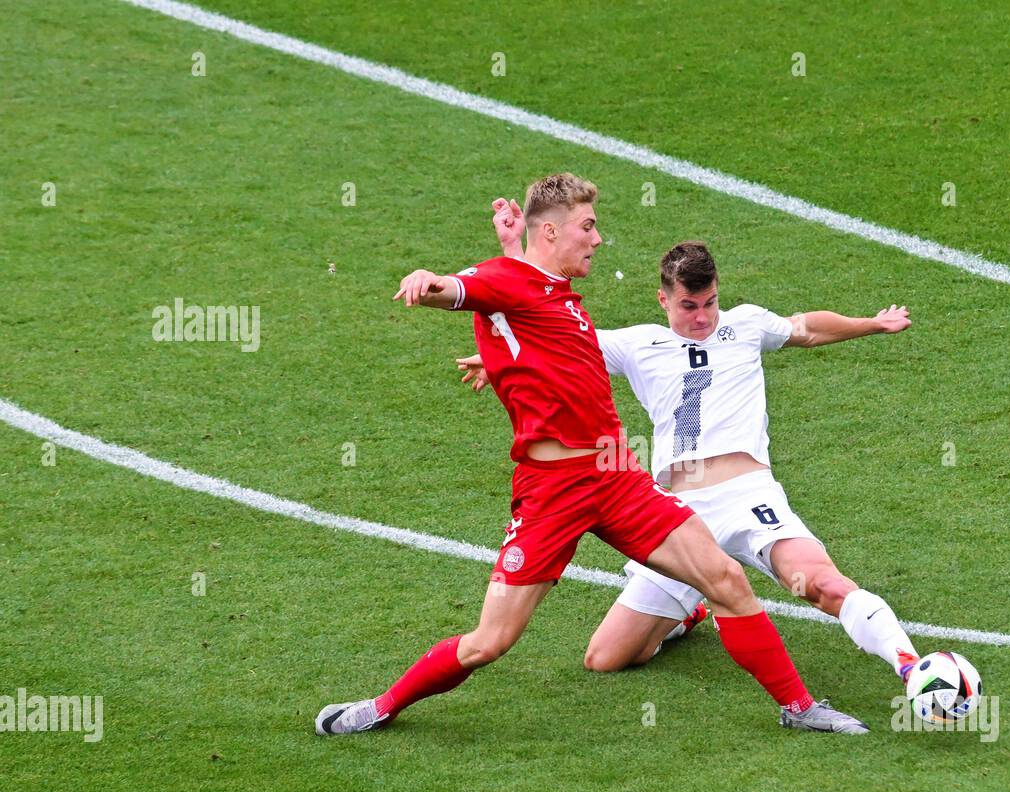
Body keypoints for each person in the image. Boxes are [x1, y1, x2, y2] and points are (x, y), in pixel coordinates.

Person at [315, 174, 868, 737]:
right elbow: (469, 289)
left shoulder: (549, 286)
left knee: (724, 577)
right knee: (491, 641)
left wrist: (513, 262)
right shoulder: (506, 280)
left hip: (614, 472)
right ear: (552, 230)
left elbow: (523, 304)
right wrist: (430, 282)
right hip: (553, 489)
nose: (598, 239)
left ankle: (799, 707)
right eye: (588, 226)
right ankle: (380, 707)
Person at [465, 198, 920, 687]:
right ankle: (687, 614)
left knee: (822, 585)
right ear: (664, 300)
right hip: (675, 517)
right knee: (607, 656)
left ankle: (912, 667)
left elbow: (806, 328)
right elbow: (547, 336)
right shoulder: (638, 344)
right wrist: (499, 359)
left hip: (748, 498)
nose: (702, 317)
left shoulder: (746, 324)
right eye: (688, 306)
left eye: (709, 303)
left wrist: (872, 324)